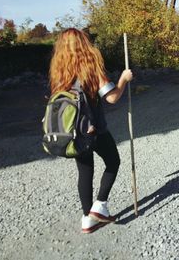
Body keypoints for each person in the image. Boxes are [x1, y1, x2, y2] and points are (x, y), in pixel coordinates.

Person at [49, 28, 133, 233]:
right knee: (113, 161)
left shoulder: (59, 72)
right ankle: (100, 206)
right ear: (83, 43)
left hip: (73, 132)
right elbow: (112, 97)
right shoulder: (90, 66)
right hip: (95, 130)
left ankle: (87, 218)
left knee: (85, 173)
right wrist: (124, 78)